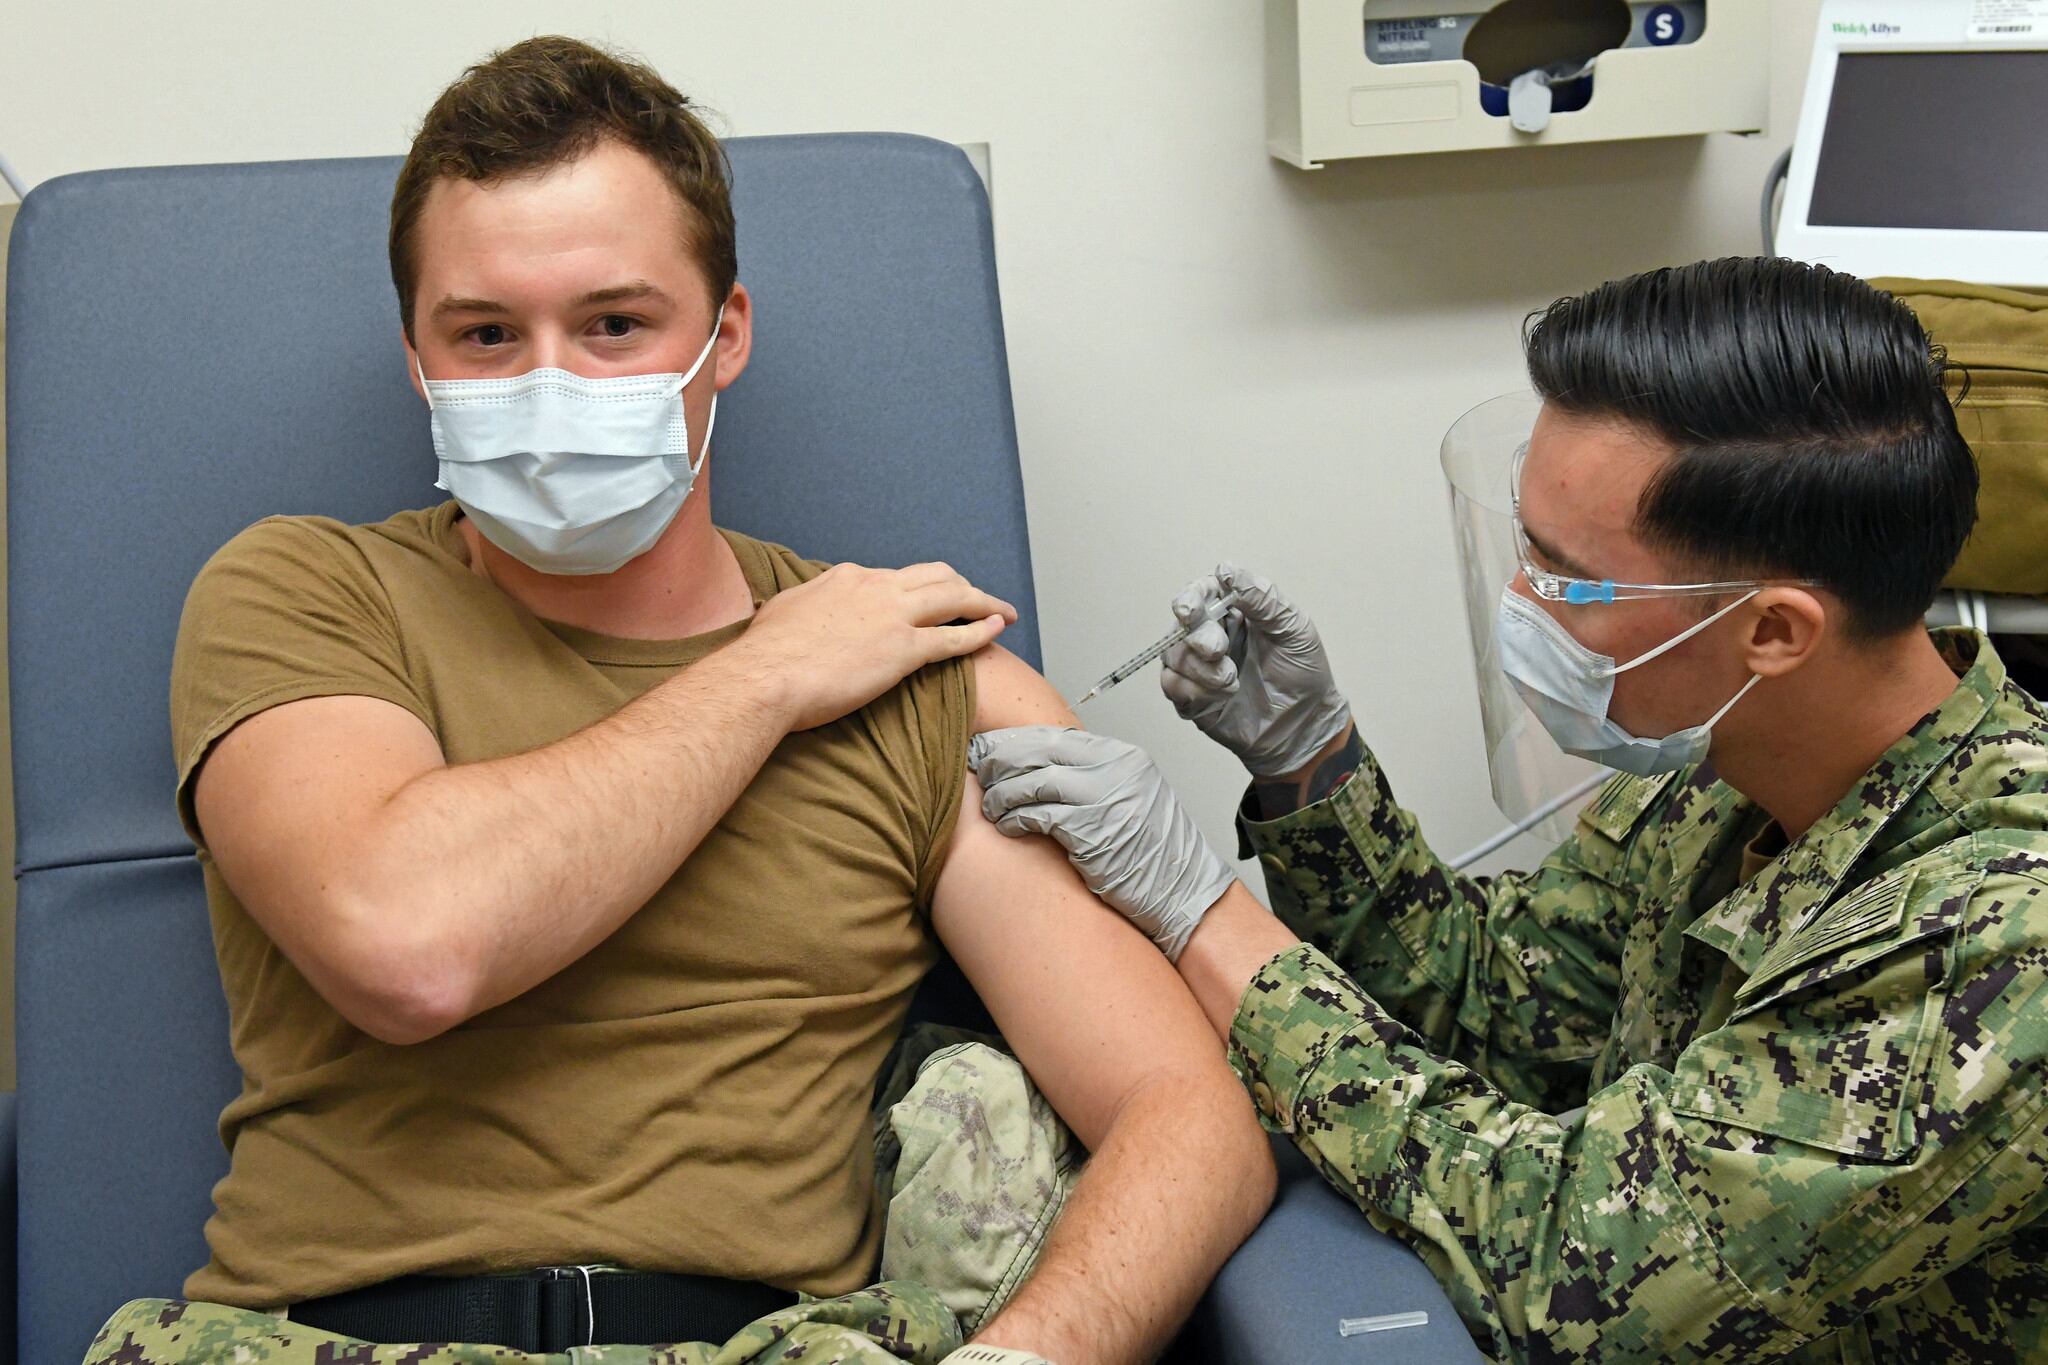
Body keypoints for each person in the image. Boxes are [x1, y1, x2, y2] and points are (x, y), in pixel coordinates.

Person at [83, 36, 1274, 1365]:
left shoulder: (917, 676)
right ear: (417, 359)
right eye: (485, 335)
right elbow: (409, 944)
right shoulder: (301, 594)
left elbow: (1188, 1116)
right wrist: (768, 674)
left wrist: (1024, 1357)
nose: (550, 385)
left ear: (725, 336)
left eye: (613, 324)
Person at [971, 257, 2048, 1362]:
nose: (1518, 604)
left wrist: (1198, 911)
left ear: (1772, 632)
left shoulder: (2001, 945)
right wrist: (1308, 768)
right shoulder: (1730, 767)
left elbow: (1568, 1262)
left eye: (1564, 578)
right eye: (1520, 545)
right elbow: (1500, 1012)